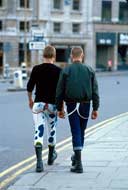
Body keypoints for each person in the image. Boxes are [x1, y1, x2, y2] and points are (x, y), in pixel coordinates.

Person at [56, 47, 99, 173]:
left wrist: (60, 108)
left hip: (71, 104)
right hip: (86, 104)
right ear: (82, 55)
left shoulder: (66, 70)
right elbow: (95, 91)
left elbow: (59, 92)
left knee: (75, 131)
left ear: (71, 56)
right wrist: (95, 108)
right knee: (81, 131)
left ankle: (78, 162)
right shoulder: (89, 70)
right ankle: (77, 157)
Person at [27, 45, 61, 172]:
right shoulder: (58, 71)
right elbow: (61, 91)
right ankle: (51, 156)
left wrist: (30, 100)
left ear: (43, 56)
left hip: (38, 105)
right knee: (52, 130)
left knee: (38, 131)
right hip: (52, 106)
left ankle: (39, 162)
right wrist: (61, 106)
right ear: (54, 56)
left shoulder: (36, 69)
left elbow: (29, 87)